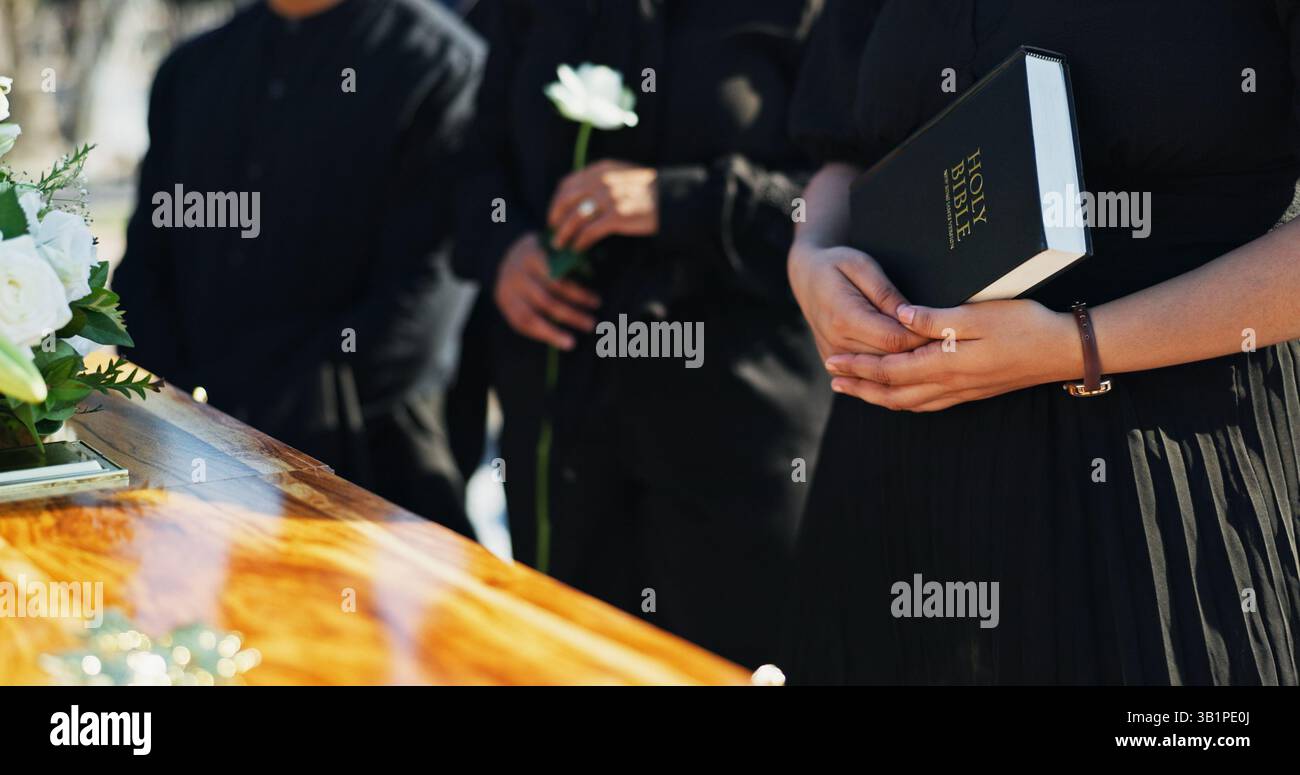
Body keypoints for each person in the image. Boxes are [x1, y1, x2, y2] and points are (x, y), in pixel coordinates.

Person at [785, 0, 1300, 684]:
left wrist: (1075, 344)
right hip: (893, 475)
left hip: (1157, 483)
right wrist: (812, 255)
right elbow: (845, 150)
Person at [456, 0, 831, 667]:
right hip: (564, 425)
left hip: (738, 432)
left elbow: (847, 199)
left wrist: (674, 199)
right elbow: (470, 161)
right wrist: (504, 251)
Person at [114, 0, 483, 537]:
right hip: (183, 474)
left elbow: (418, 313)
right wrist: (189, 418)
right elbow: (146, 271)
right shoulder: (193, 69)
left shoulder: (440, 67)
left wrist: (254, 428)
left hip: (368, 479)